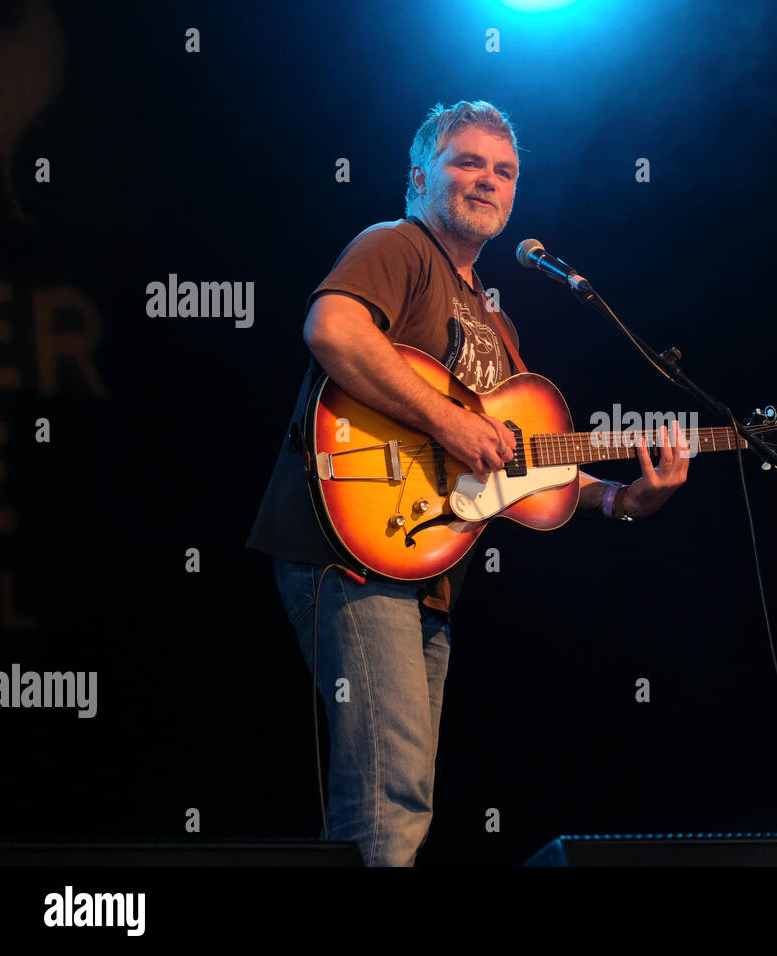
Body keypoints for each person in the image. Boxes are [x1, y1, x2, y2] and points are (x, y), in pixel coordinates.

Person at [246, 100, 689, 866]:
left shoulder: (495, 320)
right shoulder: (397, 246)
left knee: (400, 791)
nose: (488, 180)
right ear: (419, 176)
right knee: (390, 794)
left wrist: (621, 500)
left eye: (504, 170)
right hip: (352, 547)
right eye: (468, 162)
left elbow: (527, 467)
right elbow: (334, 328)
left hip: (428, 569)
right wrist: (448, 424)